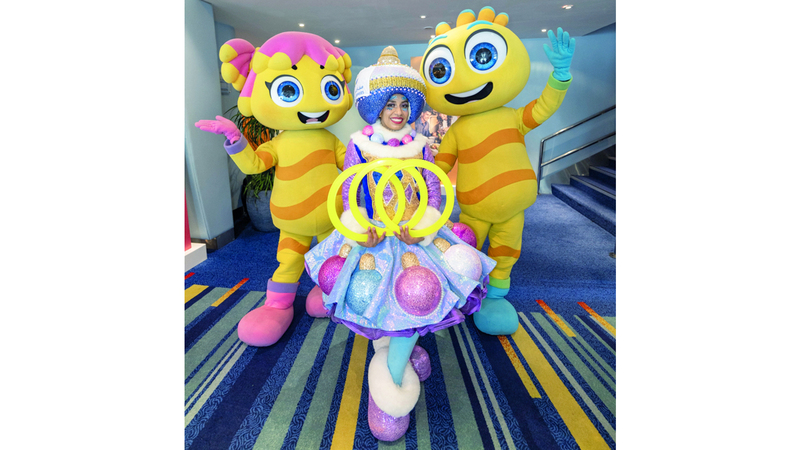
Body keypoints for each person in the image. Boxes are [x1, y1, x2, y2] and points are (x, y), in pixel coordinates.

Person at [304, 46, 495, 442]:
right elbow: (351, 192)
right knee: (381, 299)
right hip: (373, 236)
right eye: (390, 103)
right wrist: (361, 227)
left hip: (415, 235)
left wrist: (424, 226)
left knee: (416, 296)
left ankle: (396, 367)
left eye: (404, 104)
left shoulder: (420, 144)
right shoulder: (359, 144)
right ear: (376, 106)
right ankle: (392, 382)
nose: (398, 111)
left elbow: (433, 189)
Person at [421, 8, 577, 336]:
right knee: (466, 250)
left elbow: (545, 106)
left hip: (513, 209)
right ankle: (466, 291)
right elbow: (439, 166)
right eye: (442, 70)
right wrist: (414, 174)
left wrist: (560, 75)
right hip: (474, 209)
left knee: (506, 252)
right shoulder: (457, 131)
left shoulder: (513, 116)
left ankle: (494, 296)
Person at [194, 32, 353, 347]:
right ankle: (277, 305)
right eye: (288, 89)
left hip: (332, 216)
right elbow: (254, 164)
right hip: (293, 221)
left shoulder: (330, 139)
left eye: (330, 88)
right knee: (289, 260)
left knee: (331, 257)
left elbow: (350, 164)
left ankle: (327, 291)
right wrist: (236, 140)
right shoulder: (278, 142)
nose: (314, 104)